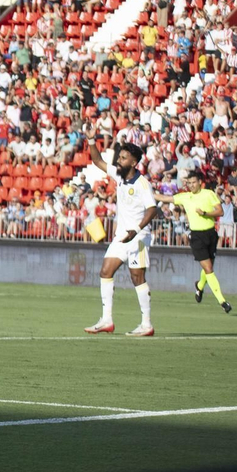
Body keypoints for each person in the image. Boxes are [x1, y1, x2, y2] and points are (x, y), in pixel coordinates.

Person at [84, 141, 158, 336]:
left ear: (134, 163)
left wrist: (137, 229)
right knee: (105, 271)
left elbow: (152, 209)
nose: (119, 160)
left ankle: (146, 324)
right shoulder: (119, 174)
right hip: (121, 236)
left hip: (138, 236)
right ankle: (106, 320)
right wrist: (91, 141)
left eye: (124, 158)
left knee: (137, 277)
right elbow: (97, 160)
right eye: (119, 156)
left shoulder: (142, 184)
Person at [168, 168, 231, 313]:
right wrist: (146, 193)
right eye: (189, 183)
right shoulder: (185, 197)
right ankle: (222, 302)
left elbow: (220, 211)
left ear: (200, 183)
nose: (191, 185)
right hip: (196, 236)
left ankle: (200, 286)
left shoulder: (208, 194)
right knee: (209, 268)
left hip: (210, 234)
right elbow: (166, 198)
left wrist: (205, 213)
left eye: (193, 182)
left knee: (209, 268)